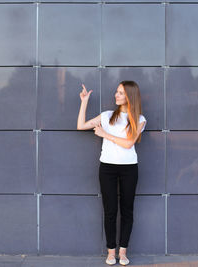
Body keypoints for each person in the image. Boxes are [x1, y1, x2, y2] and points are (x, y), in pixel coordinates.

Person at [77, 81, 146, 266]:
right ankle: (110, 252)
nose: (116, 95)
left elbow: (129, 143)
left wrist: (104, 134)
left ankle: (123, 252)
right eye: (116, 91)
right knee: (110, 211)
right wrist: (84, 101)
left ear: (130, 96)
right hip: (107, 167)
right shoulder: (107, 116)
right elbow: (81, 125)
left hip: (129, 168)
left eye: (121, 93)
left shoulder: (139, 119)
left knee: (127, 210)